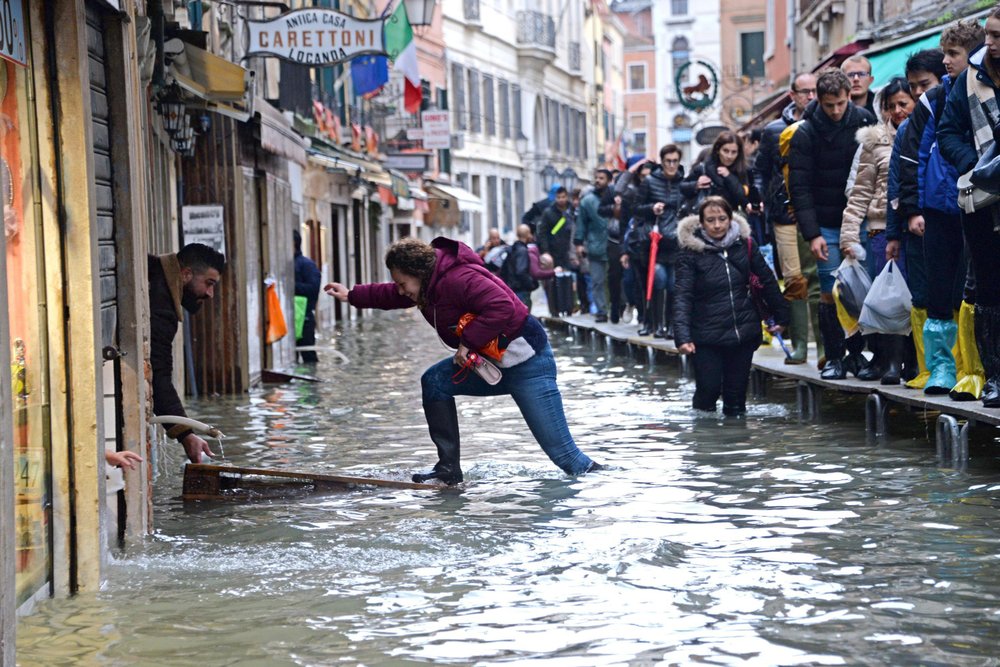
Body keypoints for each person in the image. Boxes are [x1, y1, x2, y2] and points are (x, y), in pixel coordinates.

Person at [324, 237, 601, 483]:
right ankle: (448, 470)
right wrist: (352, 295)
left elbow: (502, 306)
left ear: (418, 273)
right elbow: (391, 294)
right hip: (492, 365)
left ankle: (612, 488)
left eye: (403, 283)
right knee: (434, 382)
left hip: (529, 363)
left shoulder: (459, 278)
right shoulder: (428, 286)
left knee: (567, 459)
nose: (401, 289)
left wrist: (468, 341)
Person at [898, 30, 981, 396]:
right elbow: (912, 157)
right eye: (945, 53)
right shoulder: (934, 98)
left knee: (974, 289)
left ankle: (974, 367)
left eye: (953, 53)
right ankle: (942, 368)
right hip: (937, 207)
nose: (945, 60)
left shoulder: (983, 91)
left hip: (979, 201)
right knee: (937, 289)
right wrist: (914, 209)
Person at [786, 67, 876, 380]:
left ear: (848, 96)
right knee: (830, 291)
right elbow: (800, 188)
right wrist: (812, 235)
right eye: (829, 105)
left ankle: (858, 356)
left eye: (840, 103)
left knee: (861, 290)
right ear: (820, 102)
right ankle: (835, 356)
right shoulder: (806, 132)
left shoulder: (865, 119)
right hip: (824, 223)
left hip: (859, 217)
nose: (836, 110)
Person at [937, 8, 1000, 408]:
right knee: (990, 292)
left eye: (997, 37)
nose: (990, 44)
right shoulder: (967, 82)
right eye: (989, 36)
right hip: (983, 202)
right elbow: (947, 132)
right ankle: (995, 378)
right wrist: (974, 167)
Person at [673, 197, 788, 416]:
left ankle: (736, 443)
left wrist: (782, 317)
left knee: (736, 397)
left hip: (742, 332)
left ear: (730, 218)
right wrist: (682, 336)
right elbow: (682, 295)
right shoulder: (690, 253)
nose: (717, 225)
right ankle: (704, 443)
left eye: (722, 219)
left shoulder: (745, 244)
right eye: (710, 220)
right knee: (708, 390)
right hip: (706, 335)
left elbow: (766, 281)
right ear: (701, 223)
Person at [840, 77, 915, 385]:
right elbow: (859, 192)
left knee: (915, 298)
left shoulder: (927, 133)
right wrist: (847, 235)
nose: (898, 111)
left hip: (916, 228)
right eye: (892, 105)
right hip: (880, 230)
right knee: (886, 299)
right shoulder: (874, 141)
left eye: (903, 104)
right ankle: (891, 363)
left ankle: (913, 362)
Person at [887, 49, 949, 388]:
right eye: (913, 86)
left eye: (923, 84)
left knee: (956, 294)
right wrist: (905, 220)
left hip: (952, 214)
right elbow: (899, 178)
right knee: (923, 293)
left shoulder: (952, 113)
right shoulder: (908, 128)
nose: (917, 93)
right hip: (918, 221)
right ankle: (930, 367)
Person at [754, 71, 822, 366]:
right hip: (784, 213)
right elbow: (760, 170)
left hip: (817, 211)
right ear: (792, 95)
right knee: (794, 279)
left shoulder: (822, 126)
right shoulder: (772, 131)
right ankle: (798, 346)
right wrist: (761, 197)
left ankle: (823, 347)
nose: (810, 96)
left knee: (817, 278)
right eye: (804, 91)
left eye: (813, 91)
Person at [149, 243, 226, 463]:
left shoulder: (153, 271)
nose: (210, 294)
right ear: (185, 274)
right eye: (209, 284)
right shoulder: (161, 305)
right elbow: (158, 376)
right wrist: (186, 435)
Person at [633, 144, 686, 338]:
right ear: (662, 162)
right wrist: (651, 208)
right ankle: (654, 324)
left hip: (676, 241)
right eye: (668, 161)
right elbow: (636, 207)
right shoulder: (649, 182)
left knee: (673, 285)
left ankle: (672, 326)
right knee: (657, 282)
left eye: (675, 161)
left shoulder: (684, 182)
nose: (671, 165)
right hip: (654, 241)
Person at [682, 131, 751, 214]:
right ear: (718, 150)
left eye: (734, 152)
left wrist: (729, 176)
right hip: (705, 217)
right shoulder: (704, 168)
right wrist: (696, 185)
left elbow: (743, 197)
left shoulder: (742, 170)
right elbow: (682, 187)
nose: (729, 156)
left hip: (731, 217)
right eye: (725, 151)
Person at [575, 170, 612, 322]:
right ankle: (602, 311)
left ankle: (617, 309)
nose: (598, 180)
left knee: (616, 280)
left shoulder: (616, 198)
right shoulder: (587, 201)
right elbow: (581, 224)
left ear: (609, 180)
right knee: (597, 280)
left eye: (601, 178)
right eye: (596, 178)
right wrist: (578, 243)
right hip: (594, 245)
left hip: (615, 245)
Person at [537, 187, 575, 316]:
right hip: (553, 253)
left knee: (569, 281)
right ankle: (555, 310)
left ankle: (569, 307)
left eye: (563, 197)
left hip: (568, 252)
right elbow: (542, 233)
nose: (561, 200)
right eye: (559, 197)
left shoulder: (572, 211)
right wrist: (545, 251)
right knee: (552, 283)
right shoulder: (548, 213)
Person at [500, 224, 557, 311]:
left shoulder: (512, 249)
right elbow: (521, 271)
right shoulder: (523, 251)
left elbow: (504, 271)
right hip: (521, 291)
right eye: (530, 233)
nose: (531, 236)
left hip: (513, 290)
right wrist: (531, 284)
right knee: (523, 317)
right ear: (527, 234)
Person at [294, 230, 321, 363]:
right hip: (289, 319)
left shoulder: (306, 265)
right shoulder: (287, 264)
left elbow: (314, 288)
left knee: (308, 357)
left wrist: (291, 286)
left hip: (304, 319)